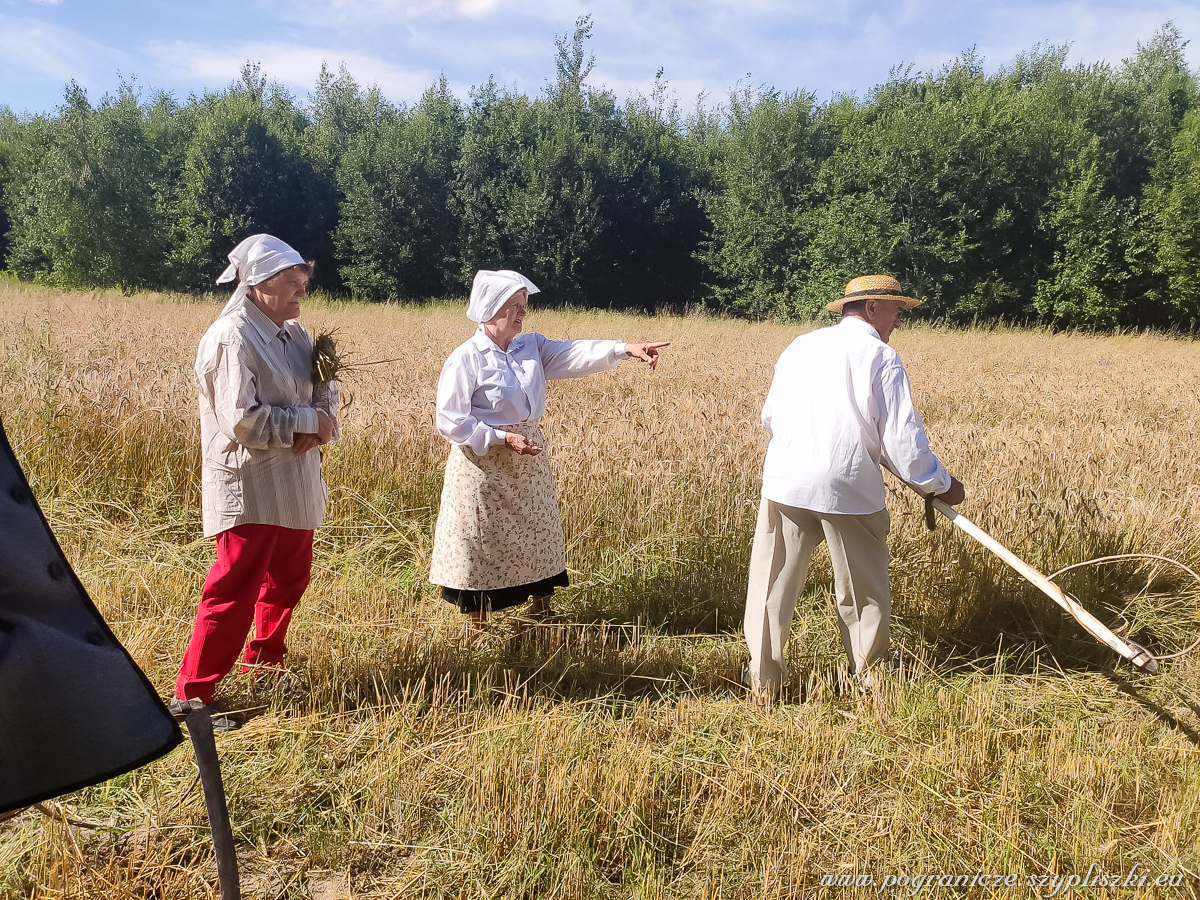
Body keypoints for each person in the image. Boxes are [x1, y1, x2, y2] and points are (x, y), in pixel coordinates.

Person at [743, 274, 965, 698]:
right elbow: (904, 445)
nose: (899, 320)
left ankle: (763, 684)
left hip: (785, 481)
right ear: (873, 308)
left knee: (771, 591)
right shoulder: (881, 357)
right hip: (848, 487)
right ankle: (872, 685)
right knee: (863, 595)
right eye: (897, 310)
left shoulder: (799, 346)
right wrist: (942, 485)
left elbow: (770, 416)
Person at [431, 269, 669, 633]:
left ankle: (541, 611)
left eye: (523, 304)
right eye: (512, 306)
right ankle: (478, 626)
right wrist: (502, 438)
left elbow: (575, 353)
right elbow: (450, 421)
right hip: (482, 465)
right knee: (484, 538)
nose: (521, 312)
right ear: (488, 309)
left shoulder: (532, 348)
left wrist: (625, 349)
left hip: (529, 460)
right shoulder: (466, 359)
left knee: (537, 531)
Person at [170, 234, 339, 730]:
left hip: (295, 479)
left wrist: (322, 421)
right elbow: (241, 420)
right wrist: (307, 422)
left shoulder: (297, 335)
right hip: (251, 482)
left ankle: (264, 664)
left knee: (290, 577)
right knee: (234, 586)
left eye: (303, 283)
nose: (300, 292)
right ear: (259, 284)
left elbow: (327, 392)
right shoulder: (231, 337)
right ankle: (193, 694)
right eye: (291, 283)